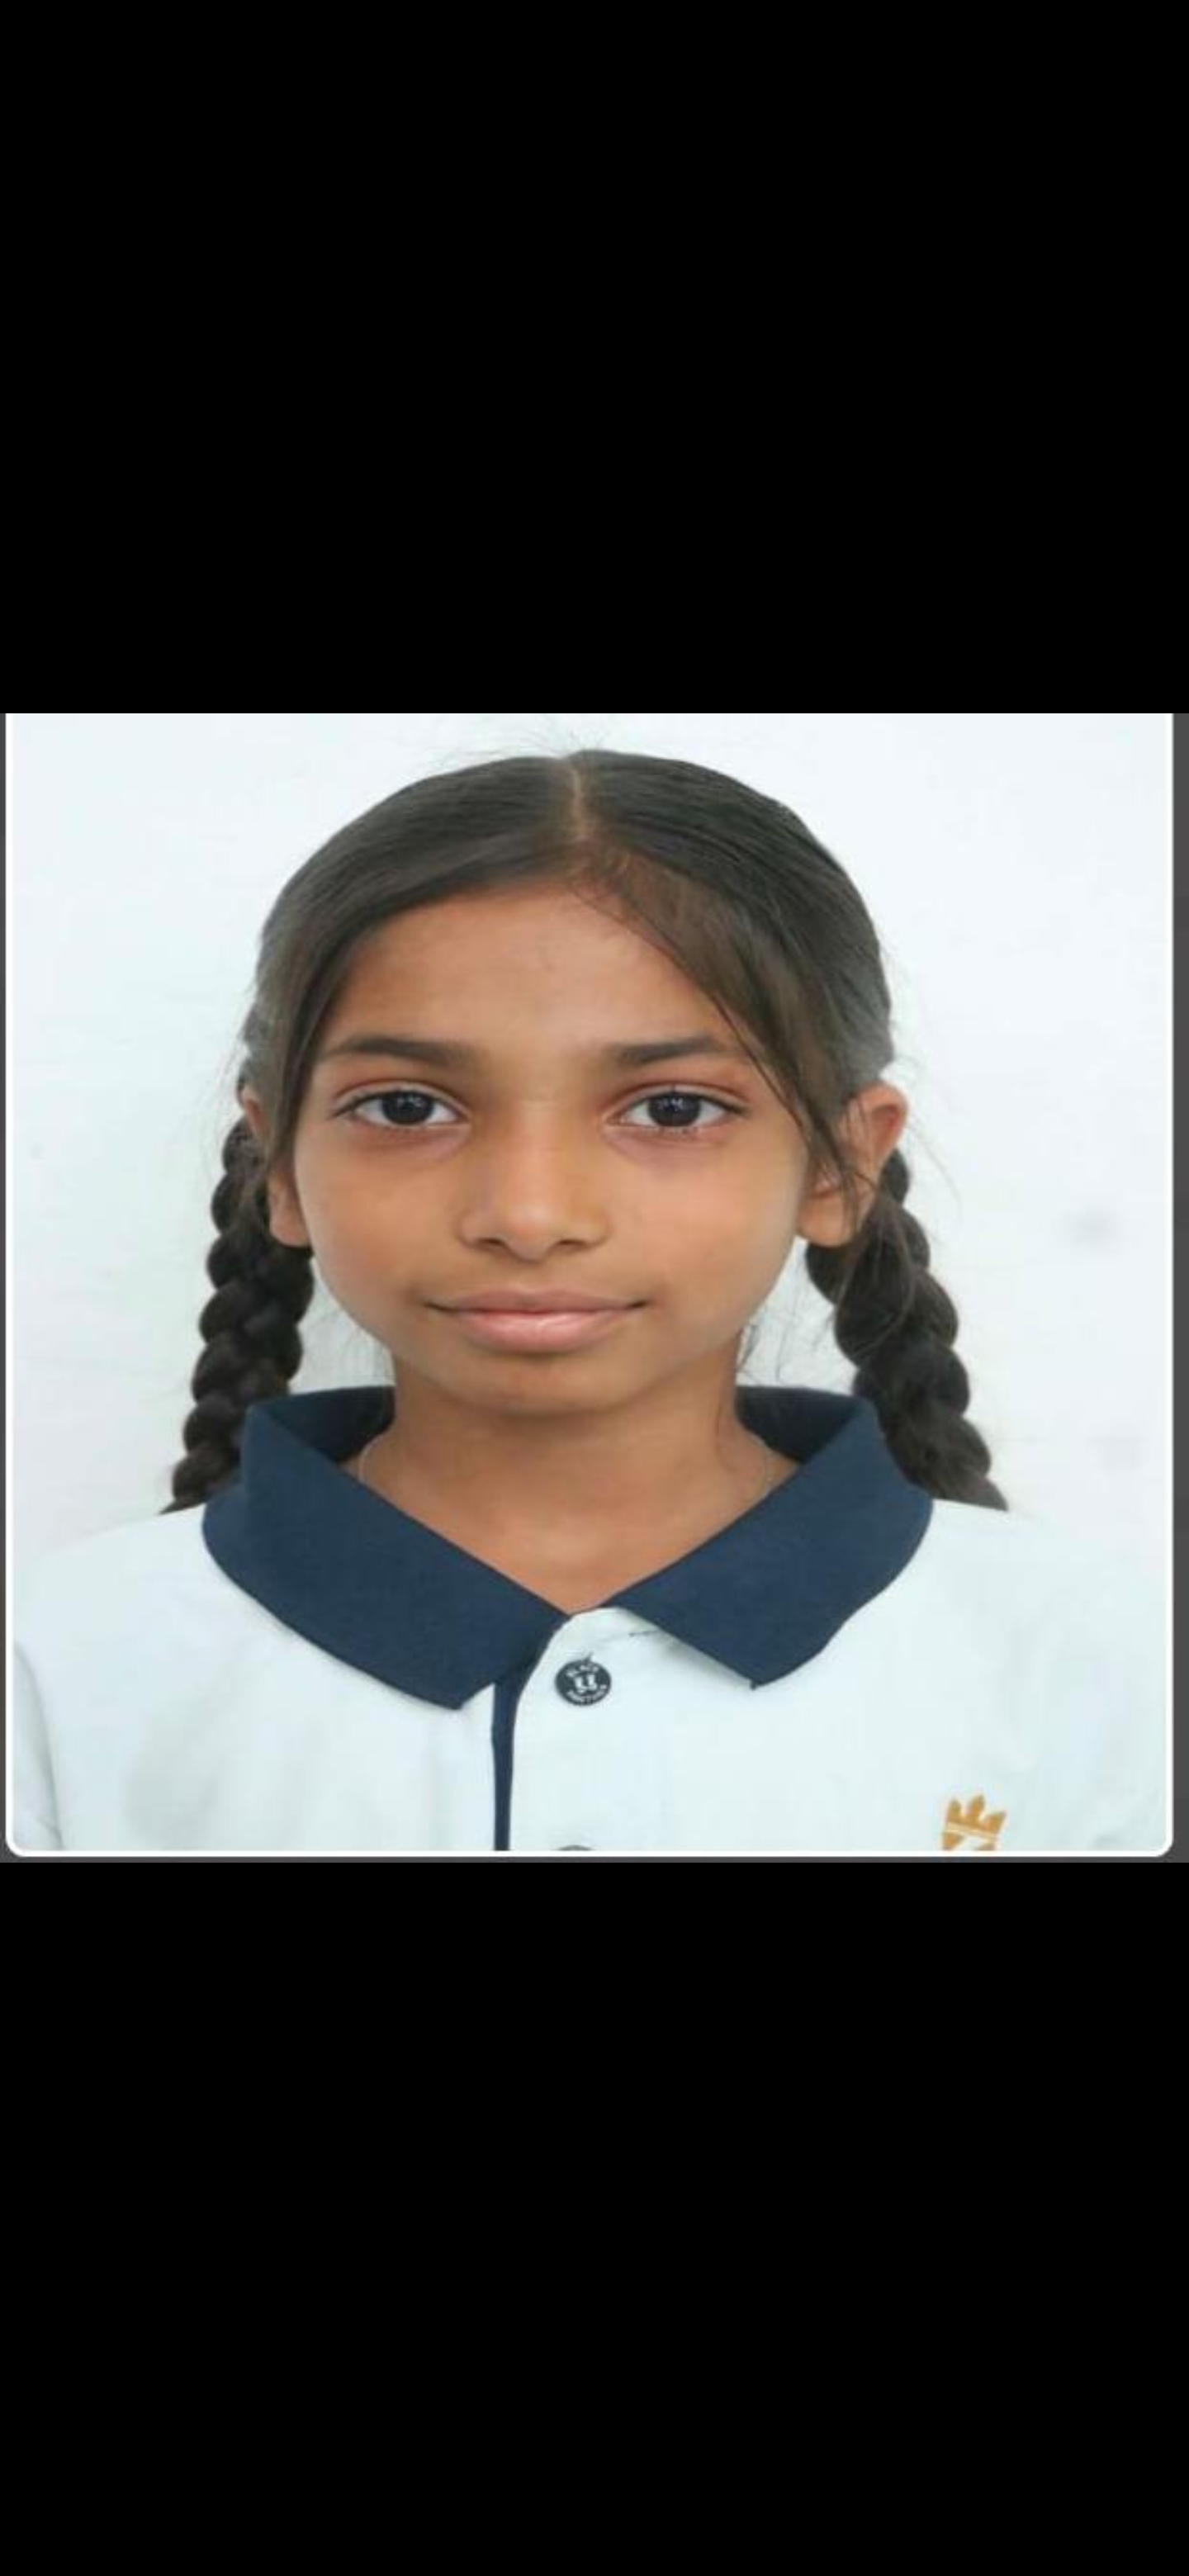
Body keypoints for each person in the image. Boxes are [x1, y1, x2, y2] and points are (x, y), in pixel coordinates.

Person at [12, 749, 1167, 1854]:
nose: (530, 1213)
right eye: (408, 1107)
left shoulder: (1105, 1664)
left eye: (671, 1109)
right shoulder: (56, 1666)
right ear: (280, 1165)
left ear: (839, 1166)